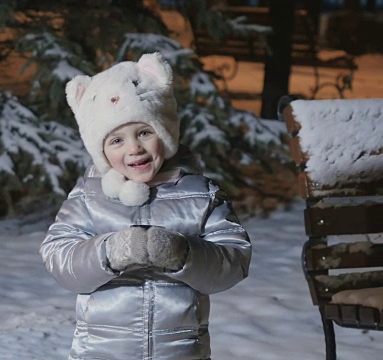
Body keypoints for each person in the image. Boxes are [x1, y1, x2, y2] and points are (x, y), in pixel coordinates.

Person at [39, 52, 251, 360]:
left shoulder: (201, 195)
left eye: (144, 132)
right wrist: (109, 251)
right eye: (116, 141)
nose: (134, 148)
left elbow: (234, 261)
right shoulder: (88, 196)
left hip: (180, 353)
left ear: (165, 132)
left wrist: (183, 253)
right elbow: (59, 258)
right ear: (100, 150)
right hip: (102, 353)